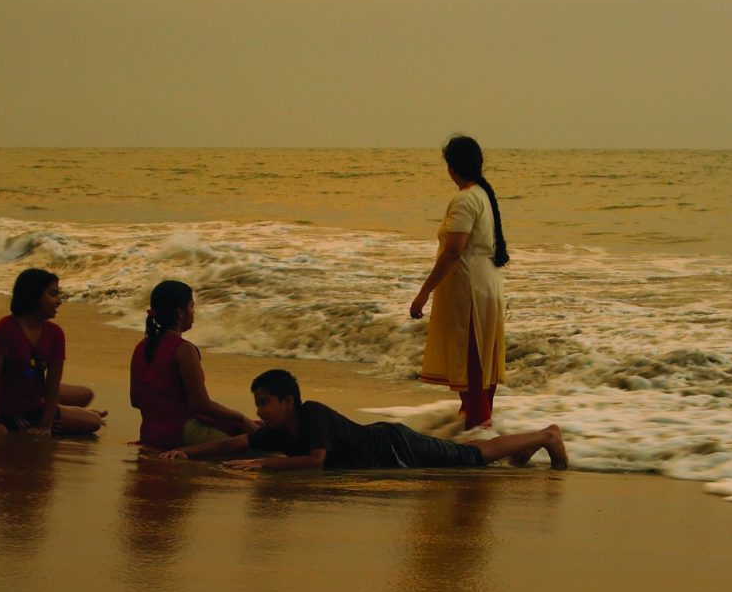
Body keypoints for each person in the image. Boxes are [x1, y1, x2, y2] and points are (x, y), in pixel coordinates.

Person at [157, 368, 566, 473]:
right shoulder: (279, 429)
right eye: (257, 404)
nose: (260, 411)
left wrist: (265, 464)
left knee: (473, 458)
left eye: (265, 403)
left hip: (397, 446)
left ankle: (548, 435)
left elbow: (316, 460)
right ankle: (526, 446)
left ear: (288, 401)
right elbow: (233, 444)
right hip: (391, 450)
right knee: (469, 453)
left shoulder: (313, 414)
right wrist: (186, 453)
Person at [409, 134, 510, 430]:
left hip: (470, 290)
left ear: (452, 167)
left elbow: (453, 251)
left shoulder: (465, 199)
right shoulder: (482, 195)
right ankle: (476, 429)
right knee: (481, 366)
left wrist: (423, 293)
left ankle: (479, 438)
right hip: (487, 284)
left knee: (472, 369)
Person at [129, 279, 251, 452]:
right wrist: (240, 418)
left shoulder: (141, 347)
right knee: (250, 440)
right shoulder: (183, 349)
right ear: (180, 313)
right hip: (180, 434)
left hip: (149, 432)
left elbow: (136, 401)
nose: (194, 312)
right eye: (192, 306)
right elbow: (201, 404)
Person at [0, 268, 104, 436]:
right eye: (52, 294)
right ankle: (72, 413)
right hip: (19, 410)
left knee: (86, 394)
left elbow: (53, 384)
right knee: (94, 422)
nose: (58, 301)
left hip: (36, 394)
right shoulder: (3, 330)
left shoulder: (55, 333)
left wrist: (46, 424)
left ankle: (68, 411)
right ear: (33, 295)